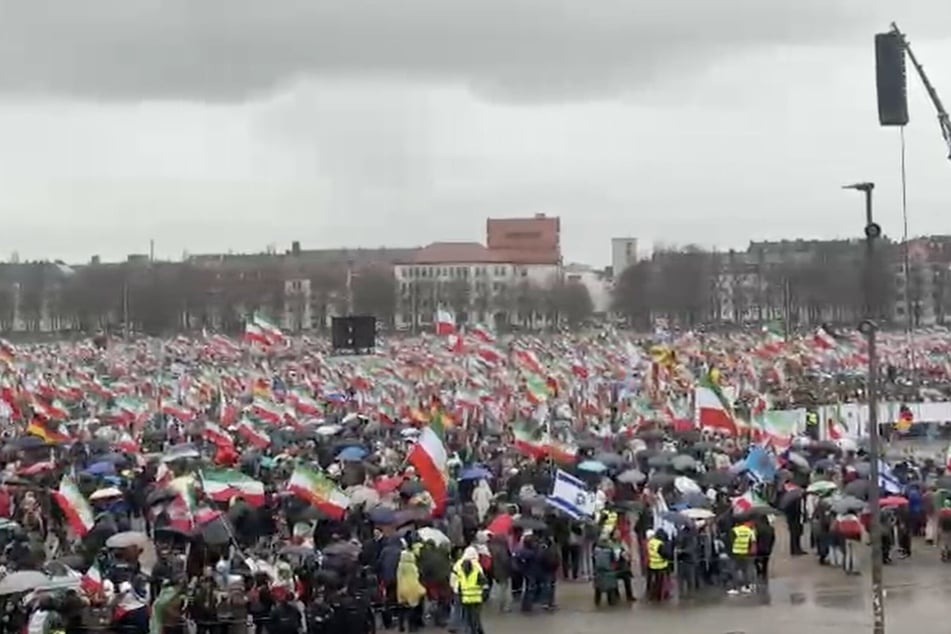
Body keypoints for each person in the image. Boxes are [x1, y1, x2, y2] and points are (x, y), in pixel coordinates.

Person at [451, 547, 487, 634]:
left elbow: (453, 578)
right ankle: (477, 630)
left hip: (460, 592)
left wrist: (454, 588)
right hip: (476, 595)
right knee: (475, 615)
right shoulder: (477, 566)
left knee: (461, 613)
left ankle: (458, 628)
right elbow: (482, 581)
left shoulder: (458, 564)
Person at [396, 549, 426, 632]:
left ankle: (401, 626)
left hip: (401, 588)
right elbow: (416, 577)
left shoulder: (400, 566)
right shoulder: (413, 567)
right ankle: (412, 626)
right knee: (413, 607)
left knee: (401, 608)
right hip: (412, 588)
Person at [729, 520, 757, 595]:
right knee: (745, 570)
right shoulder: (749, 531)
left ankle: (735, 588)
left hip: (736, 552)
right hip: (745, 553)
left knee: (734, 571)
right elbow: (752, 542)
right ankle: (746, 587)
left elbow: (731, 542)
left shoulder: (734, 530)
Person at [645, 529, 669, 602]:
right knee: (660, 582)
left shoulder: (650, 542)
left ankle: (652, 595)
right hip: (661, 565)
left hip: (652, 564)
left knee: (654, 581)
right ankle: (659, 596)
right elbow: (664, 554)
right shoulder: (660, 543)